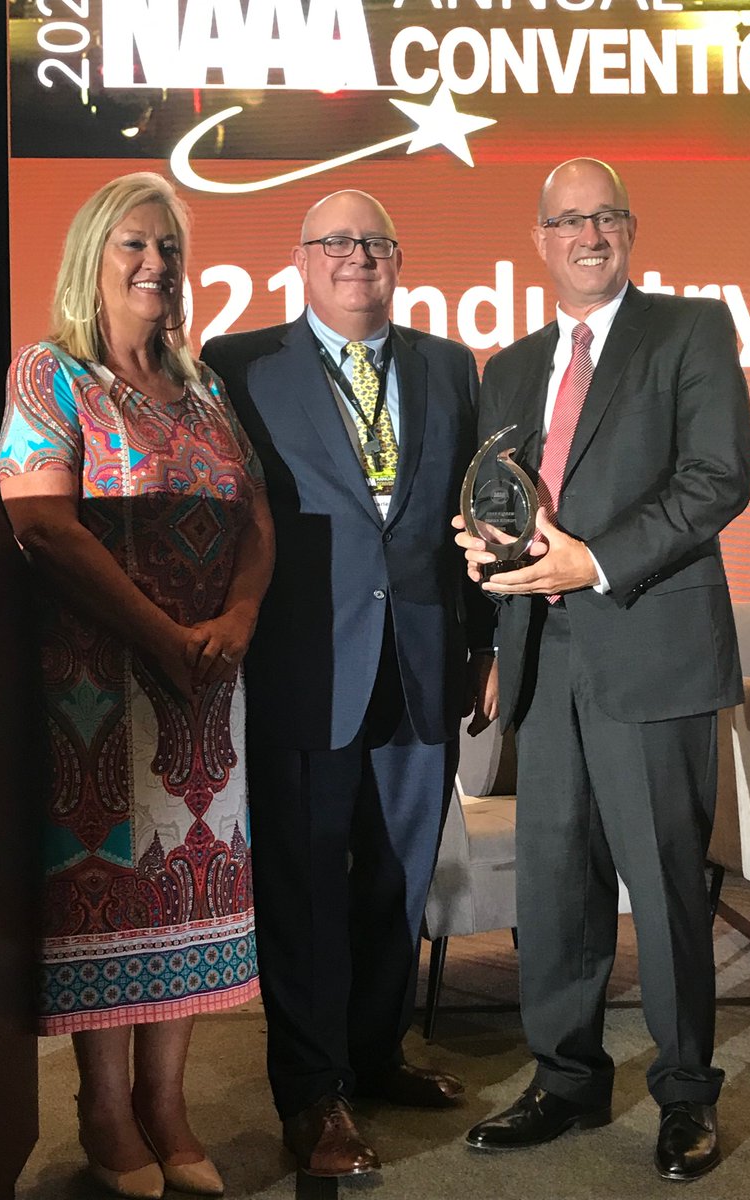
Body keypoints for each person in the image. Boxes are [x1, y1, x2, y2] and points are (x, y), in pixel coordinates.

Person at [454, 158, 750, 1181]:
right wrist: (486, 556)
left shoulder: (691, 331)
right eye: (568, 220)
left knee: (665, 886)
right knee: (557, 880)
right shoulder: (509, 365)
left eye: (605, 216)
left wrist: (595, 558)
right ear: (540, 239)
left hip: (650, 643)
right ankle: (567, 1080)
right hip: (543, 653)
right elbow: (503, 502)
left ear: (630, 229)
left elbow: (717, 481)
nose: (589, 234)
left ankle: (684, 1094)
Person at [202, 189, 495, 1178]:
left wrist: (483, 643)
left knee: (398, 880)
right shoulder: (238, 367)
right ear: (301, 259)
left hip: (421, 662)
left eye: (372, 241)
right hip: (302, 664)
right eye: (336, 241)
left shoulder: (450, 366)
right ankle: (313, 1093)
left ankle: (374, 1056)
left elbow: (477, 520)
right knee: (304, 886)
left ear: (399, 259)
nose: (355, 255)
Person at [0, 173, 275, 1200]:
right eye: (132, 246)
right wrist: (161, 633)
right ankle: (106, 1114)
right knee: (108, 902)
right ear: (91, 259)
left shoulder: (203, 386)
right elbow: (43, 525)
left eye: (168, 246)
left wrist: (236, 623)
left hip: (206, 685)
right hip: (97, 691)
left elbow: (256, 519)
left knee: (191, 889)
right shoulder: (50, 376)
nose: (156, 264)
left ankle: (169, 1106)